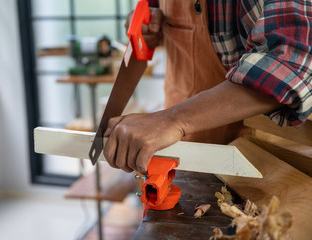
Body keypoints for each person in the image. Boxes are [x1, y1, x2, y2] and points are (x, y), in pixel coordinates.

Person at [103, 0, 312, 175]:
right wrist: (152, 21)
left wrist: (172, 119)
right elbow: (157, 10)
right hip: (177, 150)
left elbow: (290, 61)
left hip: (254, 164)